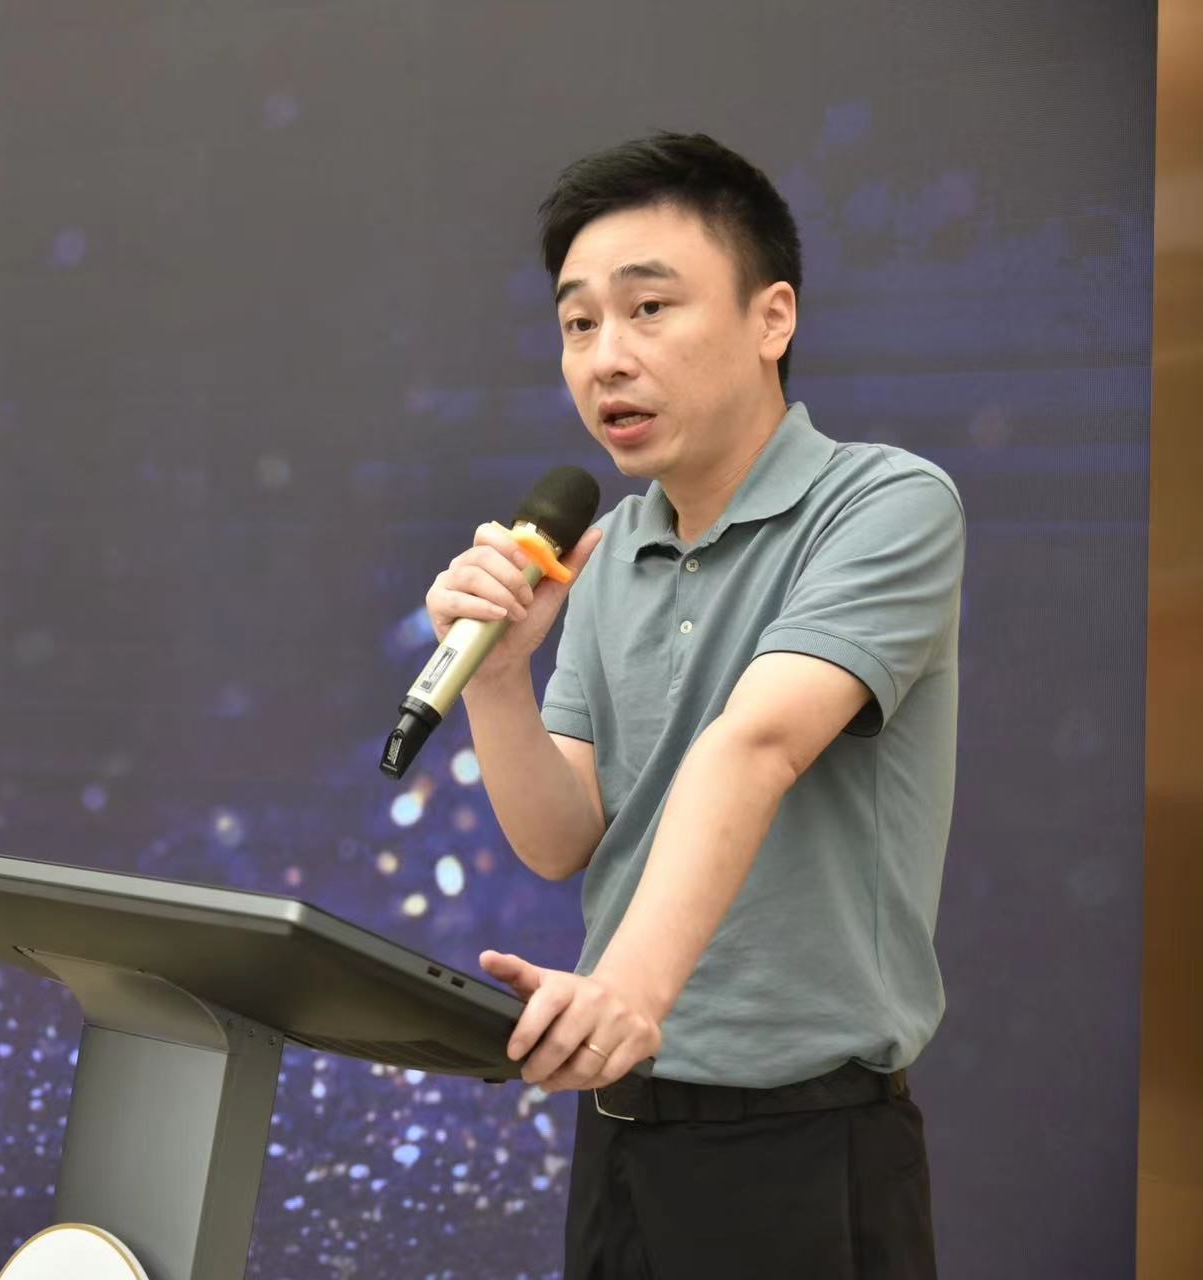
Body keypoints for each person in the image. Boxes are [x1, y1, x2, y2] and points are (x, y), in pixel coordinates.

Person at [425, 133, 963, 1278]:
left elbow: (753, 744)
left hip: (805, 1141)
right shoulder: (609, 548)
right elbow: (564, 834)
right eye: (579, 324)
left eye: (649, 308)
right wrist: (502, 676)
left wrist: (628, 990)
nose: (606, 358)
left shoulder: (884, 503)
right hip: (620, 1132)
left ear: (773, 318)